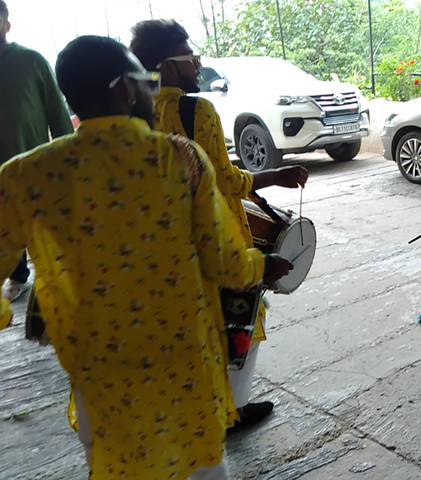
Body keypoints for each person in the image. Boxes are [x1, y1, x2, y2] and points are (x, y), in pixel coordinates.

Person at [0, 35, 293, 479]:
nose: (151, 91)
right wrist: (263, 265)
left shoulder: (25, 173)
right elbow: (225, 262)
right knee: (201, 467)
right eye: (145, 81)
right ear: (125, 88)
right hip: (183, 366)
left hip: (99, 370)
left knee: (119, 462)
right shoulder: (179, 160)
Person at [129, 19, 309, 433]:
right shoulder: (197, 109)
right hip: (211, 230)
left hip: (159, 238)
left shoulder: (136, 107)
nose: (197, 63)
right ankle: (232, 408)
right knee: (239, 316)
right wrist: (273, 176)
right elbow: (223, 179)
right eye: (190, 57)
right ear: (168, 66)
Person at [0, 0, 74, 302]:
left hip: (34, 167)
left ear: (6, 25)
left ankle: (58, 279)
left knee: (45, 229)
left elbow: (57, 114)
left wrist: (69, 160)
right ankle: (18, 275)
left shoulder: (31, 61)